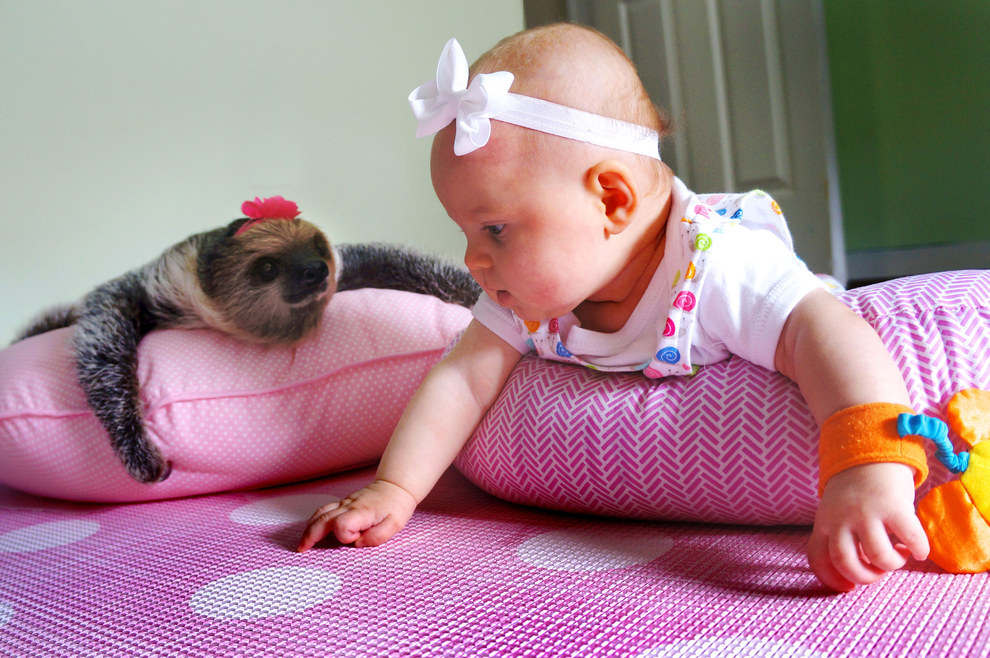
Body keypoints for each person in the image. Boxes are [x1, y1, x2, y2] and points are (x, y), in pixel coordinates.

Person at [297, 23, 929, 592]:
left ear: (612, 201)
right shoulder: (528, 296)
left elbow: (822, 331)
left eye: (495, 230)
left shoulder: (715, 265)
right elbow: (461, 379)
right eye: (466, 233)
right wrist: (394, 488)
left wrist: (867, 468)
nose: (473, 260)